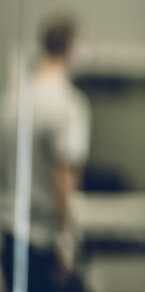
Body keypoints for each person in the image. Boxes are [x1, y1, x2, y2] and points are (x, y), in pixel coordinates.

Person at [1, 17, 89, 292]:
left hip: (11, 238)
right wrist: (67, 242)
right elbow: (64, 176)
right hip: (45, 242)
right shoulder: (67, 102)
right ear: (71, 47)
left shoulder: (12, 100)